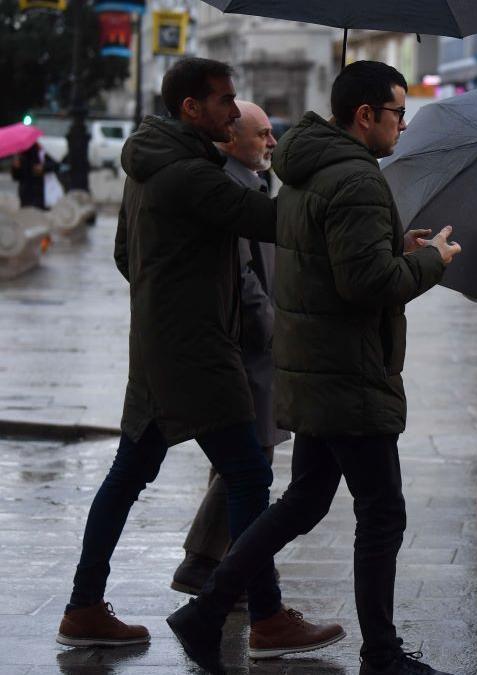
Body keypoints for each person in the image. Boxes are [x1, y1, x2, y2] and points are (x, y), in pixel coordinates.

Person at [166, 61, 461, 675]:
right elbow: (365, 284)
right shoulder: (355, 178)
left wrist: (395, 248)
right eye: (398, 113)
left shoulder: (303, 170)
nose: (403, 125)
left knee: (304, 500)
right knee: (382, 513)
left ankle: (206, 610)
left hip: (313, 365)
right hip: (349, 373)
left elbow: (327, 259)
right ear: (365, 116)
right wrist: (431, 261)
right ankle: (381, 652)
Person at [55, 57, 341, 659]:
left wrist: (170, 294)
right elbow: (274, 220)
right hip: (198, 351)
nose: (234, 112)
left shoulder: (151, 166)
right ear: (191, 107)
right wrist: (325, 161)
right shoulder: (189, 175)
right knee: (249, 476)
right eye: (224, 101)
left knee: (130, 474)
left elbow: (124, 256)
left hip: (161, 348)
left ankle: (84, 606)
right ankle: (264, 615)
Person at [171, 99, 290, 597]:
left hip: (252, 345)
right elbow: (240, 277)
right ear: (231, 139)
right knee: (251, 459)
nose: (271, 142)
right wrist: (271, 328)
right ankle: (205, 562)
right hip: (248, 347)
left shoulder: (255, 184)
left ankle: (225, 568)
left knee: (238, 461)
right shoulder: (231, 189)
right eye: (262, 133)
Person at [10, 141, 60, 209]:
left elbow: (56, 165)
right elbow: (16, 177)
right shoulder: (19, 155)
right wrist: (15, 168)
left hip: (42, 193)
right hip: (26, 194)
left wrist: (43, 167)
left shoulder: (42, 152)